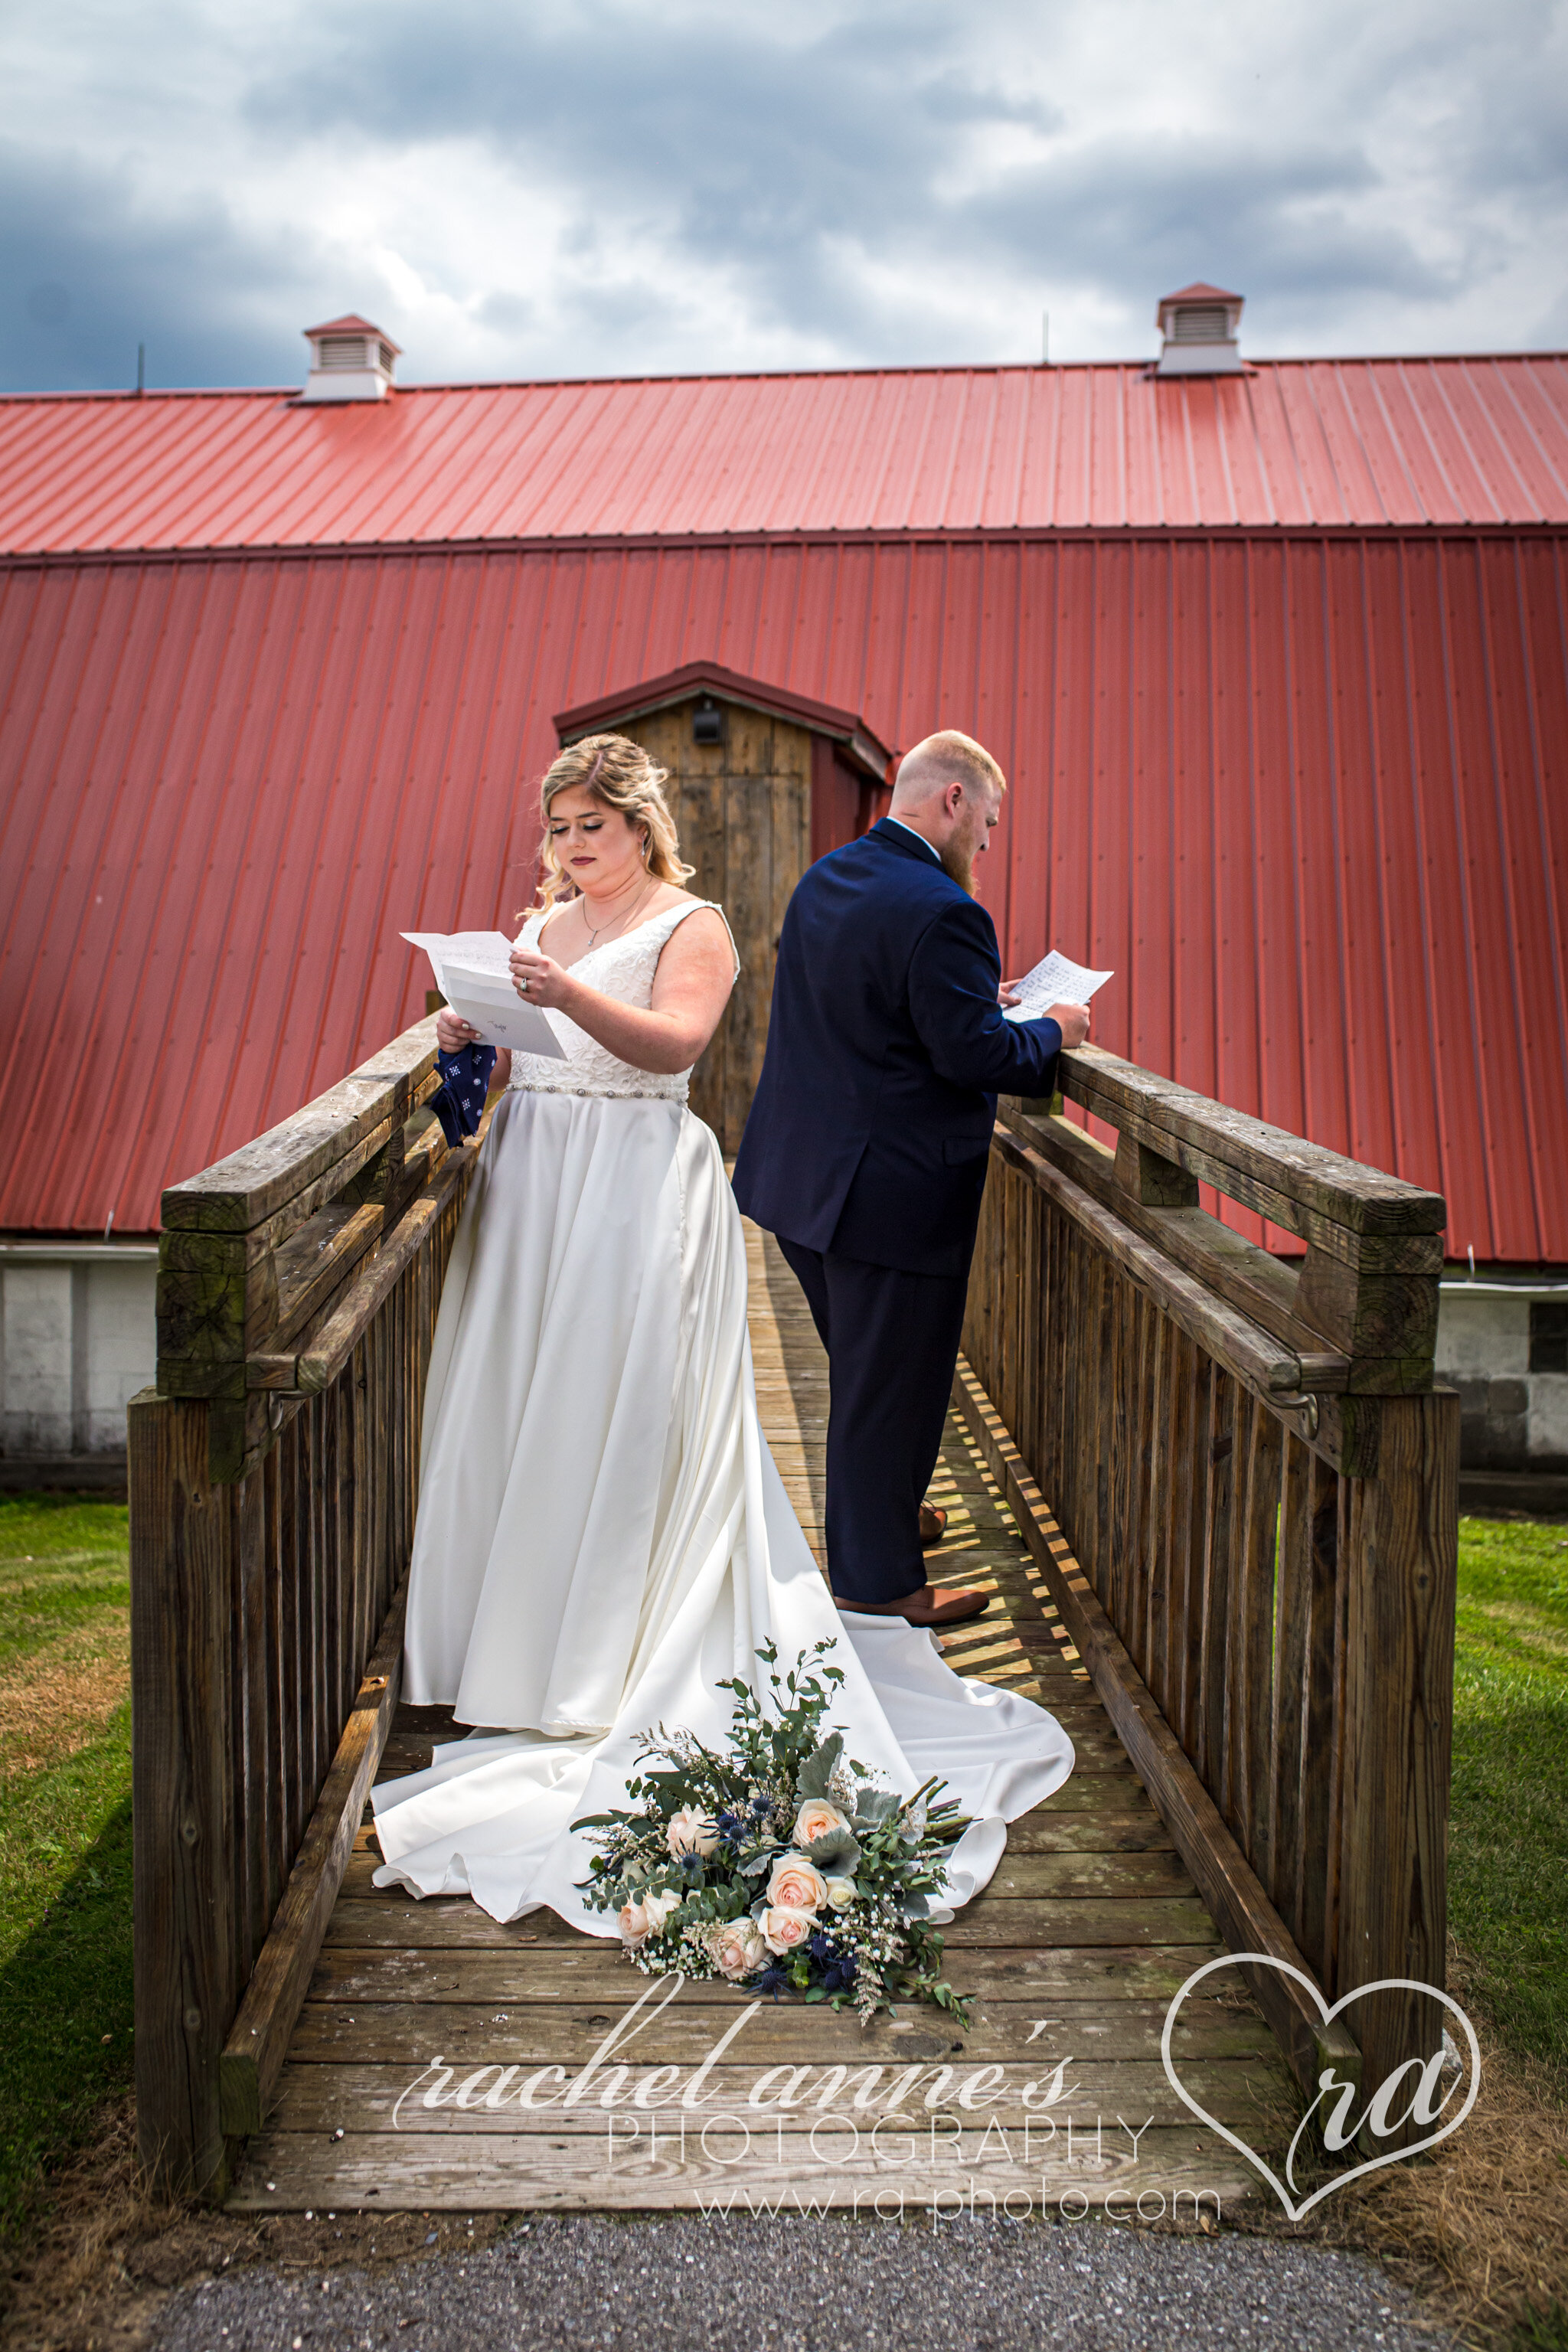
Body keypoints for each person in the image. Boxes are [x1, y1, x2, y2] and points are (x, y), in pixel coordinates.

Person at [371, 733, 1073, 1928]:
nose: (570, 848)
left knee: (627, 1410)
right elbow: (523, 1047)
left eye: (591, 826)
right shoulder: (537, 928)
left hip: (635, 1184)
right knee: (524, 1406)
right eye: (557, 830)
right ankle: (511, 1653)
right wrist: (472, 1031)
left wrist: (563, 995)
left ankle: (611, 1648)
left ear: (641, 826)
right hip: (535, 1184)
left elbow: (678, 1047)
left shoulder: (695, 926)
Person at [732, 730, 1093, 1631]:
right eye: (988, 825)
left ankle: (886, 1520)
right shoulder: (945, 909)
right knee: (886, 1386)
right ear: (954, 802)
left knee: (866, 1373)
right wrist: (1054, 1028)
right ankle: (877, 1582)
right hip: (888, 1196)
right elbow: (974, 1056)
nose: (984, 847)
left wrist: (982, 997)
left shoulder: (827, 878)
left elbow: (879, 1006)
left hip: (800, 1184)